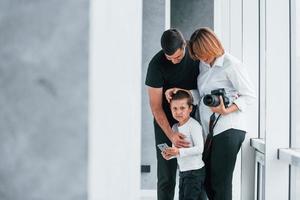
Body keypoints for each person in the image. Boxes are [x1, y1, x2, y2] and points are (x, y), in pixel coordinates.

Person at [165, 27, 256, 200]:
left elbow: (250, 95)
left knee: (220, 183)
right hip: (211, 131)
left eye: (202, 53)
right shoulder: (203, 65)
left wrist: (226, 109)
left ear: (210, 46)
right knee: (208, 182)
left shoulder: (231, 64)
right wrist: (181, 91)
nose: (200, 58)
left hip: (229, 128)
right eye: (197, 55)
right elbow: (203, 95)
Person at [145, 28, 199, 200]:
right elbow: (155, 106)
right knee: (166, 176)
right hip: (166, 124)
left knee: (196, 170)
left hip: (194, 119)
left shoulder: (195, 54)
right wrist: (171, 135)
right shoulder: (156, 64)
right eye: (169, 58)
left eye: (177, 57)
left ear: (185, 46)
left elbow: (206, 88)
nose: (174, 61)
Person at [162, 90, 205, 200]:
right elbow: (176, 151)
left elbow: (200, 149)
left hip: (195, 172)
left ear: (190, 108)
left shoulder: (194, 125)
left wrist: (178, 152)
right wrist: (169, 154)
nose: (178, 112)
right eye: (174, 108)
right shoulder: (174, 128)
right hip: (183, 172)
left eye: (182, 108)